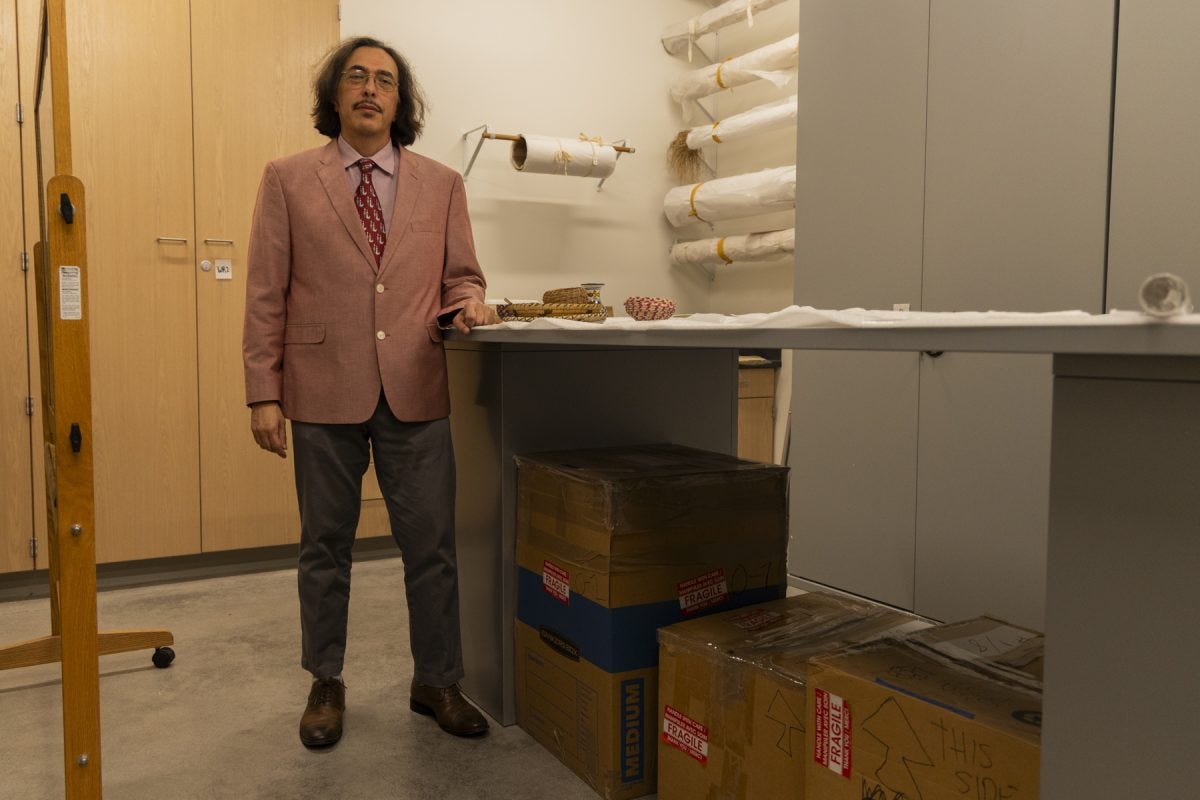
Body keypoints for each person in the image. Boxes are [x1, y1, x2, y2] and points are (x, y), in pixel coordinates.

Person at [242, 35, 496, 748]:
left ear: (399, 101)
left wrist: (469, 302)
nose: (369, 89)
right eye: (356, 77)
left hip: (416, 385)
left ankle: (437, 680)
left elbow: (463, 276)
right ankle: (325, 682)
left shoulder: (443, 183)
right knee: (325, 545)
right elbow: (266, 292)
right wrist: (264, 390)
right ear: (335, 94)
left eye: (384, 80)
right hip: (321, 389)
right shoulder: (288, 178)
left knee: (433, 546)